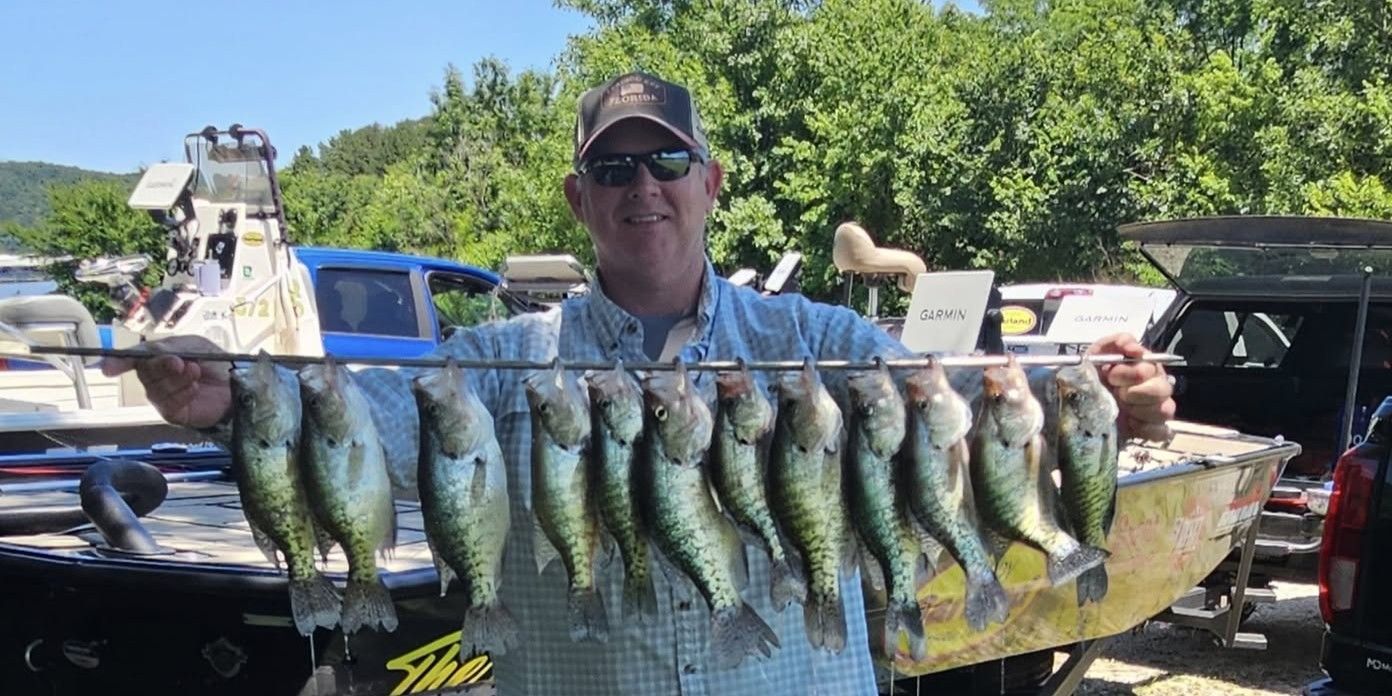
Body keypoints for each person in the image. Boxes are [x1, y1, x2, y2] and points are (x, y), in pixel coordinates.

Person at [105, 72, 1175, 694]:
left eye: (665, 164)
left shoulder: (822, 341)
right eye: (614, 169)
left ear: (708, 183)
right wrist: (230, 400)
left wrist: (1112, 420)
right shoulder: (495, 365)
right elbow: (361, 428)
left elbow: (971, 452)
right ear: (580, 197)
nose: (642, 189)